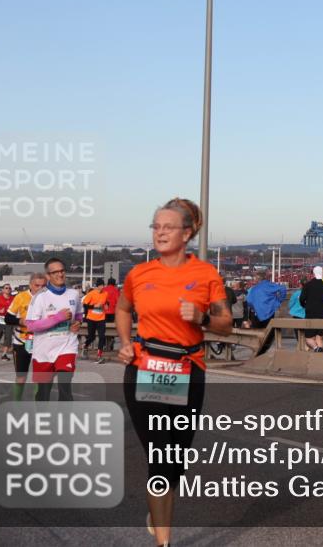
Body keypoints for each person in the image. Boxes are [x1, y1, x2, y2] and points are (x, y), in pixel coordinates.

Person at [116, 197, 232, 546]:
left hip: (188, 370)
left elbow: (226, 324)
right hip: (145, 367)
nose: (160, 233)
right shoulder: (139, 274)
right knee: (159, 456)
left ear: (188, 232)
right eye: (156, 226)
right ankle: (164, 542)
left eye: (168, 227)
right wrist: (125, 342)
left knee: (175, 462)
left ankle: (158, 511)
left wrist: (202, 317)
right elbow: (123, 309)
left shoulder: (206, 275)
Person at [24, 259, 83, 399]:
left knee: (65, 388)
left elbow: (79, 314)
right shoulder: (40, 297)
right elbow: (31, 325)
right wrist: (57, 318)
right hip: (44, 351)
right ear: (48, 276)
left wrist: (78, 323)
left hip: (67, 346)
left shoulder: (74, 294)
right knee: (43, 393)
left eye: (62, 271)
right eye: (55, 272)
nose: (60, 274)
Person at [4, 272, 47, 400]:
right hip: (22, 341)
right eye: (37, 285)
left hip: (42, 341)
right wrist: (20, 321)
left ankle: (38, 407)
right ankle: (16, 404)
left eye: (43, 286)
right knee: (21, 378)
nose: (40, 288)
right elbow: (8, 318)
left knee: (39, 378)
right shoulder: (21, 297)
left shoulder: (49, 297)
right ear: (30, 285)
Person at [299, 266, 323, 352]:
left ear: (313, 274)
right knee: (319, 337)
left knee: (308, 338)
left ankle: (316, 348)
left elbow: (301, 299)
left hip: (310, 314)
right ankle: (320, 355)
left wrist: (305, 306)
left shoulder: (308, 286)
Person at [82, 279, 109, 364]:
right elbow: (85, 305)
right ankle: (85, 346)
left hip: (101, 318)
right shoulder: (91, 294)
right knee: (91, 337)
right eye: (101, 285)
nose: (102, 287)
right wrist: (94, 306)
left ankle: (99, 355)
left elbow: (106, 302)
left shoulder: (105, 293)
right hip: (91, 319)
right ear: (97, 286)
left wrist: (106, 305)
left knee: (102, 336)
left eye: (103, 285)